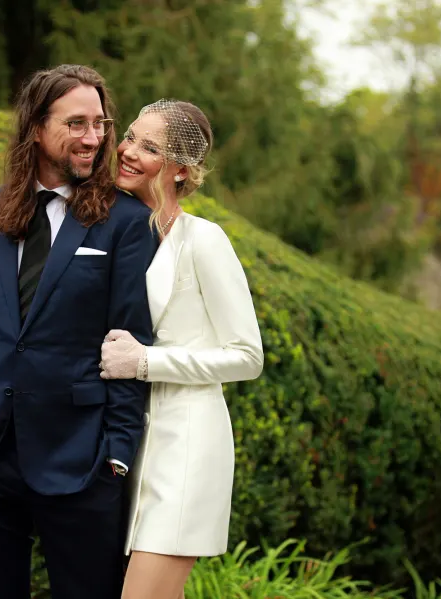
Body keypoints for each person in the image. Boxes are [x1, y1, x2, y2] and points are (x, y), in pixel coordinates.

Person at [0, 64, 157, 599]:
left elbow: (132, 339)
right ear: (35, 126)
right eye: (77, 124)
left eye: (101, 123)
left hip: (82, 461)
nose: (94, 138)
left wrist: (118, 454)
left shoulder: (123, 223)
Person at [98, 99, 264, 599]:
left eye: (150, 147)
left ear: (181, 171)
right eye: (129, 136)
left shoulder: (203, 241)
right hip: (128, 444)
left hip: (188, 444)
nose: (126, 151)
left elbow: (247, 355)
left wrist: (147, 362)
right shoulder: (113, 229)